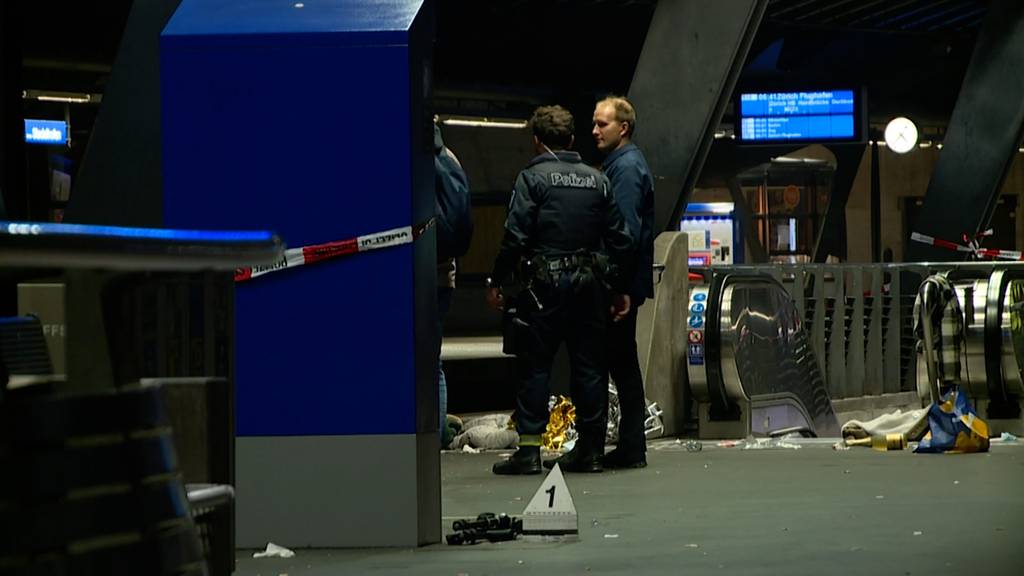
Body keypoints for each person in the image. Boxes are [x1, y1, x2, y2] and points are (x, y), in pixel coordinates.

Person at [486, 105, 633, 475]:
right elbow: (620, 239)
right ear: (571, 139)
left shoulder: (532, 179)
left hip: (543, 289)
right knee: (590, 369)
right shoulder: (598, 180)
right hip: (590, 288)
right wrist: (619, 286)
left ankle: (530, 453)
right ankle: (592, 452)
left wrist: (498, 280)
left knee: (535, 368)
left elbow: (515, 235)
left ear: (537, 141)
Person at [591, 96, 654, 469]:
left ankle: (629, 446)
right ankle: (632, 446)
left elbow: (624, 234)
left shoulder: (626, 169)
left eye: (602, 124)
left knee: (618, 365)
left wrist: (618, 288)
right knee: (622, 363)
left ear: (623, 127)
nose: (595, 130)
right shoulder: (621, 164)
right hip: (624, 282)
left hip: (619, 286)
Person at [434, 122, 472, 448]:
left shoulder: (401, 158)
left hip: (404, 276)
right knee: (434, 362)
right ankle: (437, 434)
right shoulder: (449, 158)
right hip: (442, 275)